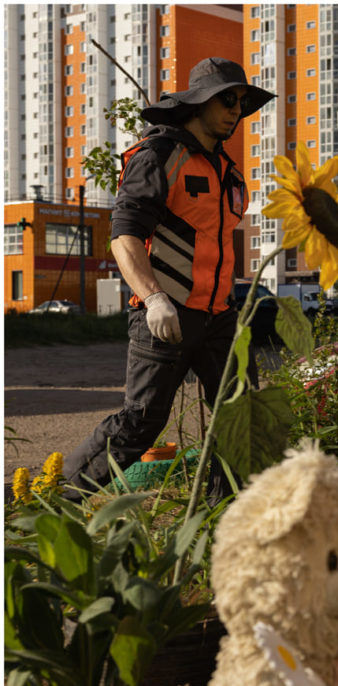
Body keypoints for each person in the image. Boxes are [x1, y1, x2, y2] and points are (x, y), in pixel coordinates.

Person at [63, 57, 275, 504]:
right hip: (166, 315)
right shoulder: (158, 156)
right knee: (142, 421)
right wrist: (154, 298)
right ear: (197, 103)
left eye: (241, 101)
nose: (236, 109)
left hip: (220, 318)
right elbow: (124, 238)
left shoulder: (229, 171)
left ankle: (221, 517)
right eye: (226, 99)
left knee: (236, 417)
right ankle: (57, 496)